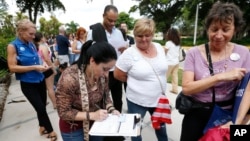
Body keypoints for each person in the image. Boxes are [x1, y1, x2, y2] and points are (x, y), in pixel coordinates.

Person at [180, 2, 250, 141]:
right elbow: (187, 88)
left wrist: (237, 124)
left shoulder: (243, 52)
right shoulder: (194, 53)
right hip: (196, 115)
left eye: (225, 29)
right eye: (214, 29)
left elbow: (247, 91)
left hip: (229, 116)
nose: (219, 35)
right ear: (207, 29)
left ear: (234, 29)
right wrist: (220, 77)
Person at [114, 18, 169, 141]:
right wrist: (136, 83)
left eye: (147, 35)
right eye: (140, 36)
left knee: (161, 129)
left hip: (159, 100)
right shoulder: (129, 53)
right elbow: (118, 74)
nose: (144, 39)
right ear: (134, 35)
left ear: (153, 34)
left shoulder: (159, 47)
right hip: (137, 101)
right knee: (136, 131)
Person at [55, 40, 120, 141]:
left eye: (109, 70)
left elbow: (106, 97)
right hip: (74, 128)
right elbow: (63, 112)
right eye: (105, 69)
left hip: (97, 123)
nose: (107, 74)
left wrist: (112, 110)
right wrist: (93, 115)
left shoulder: (102, 76)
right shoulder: (70, 78)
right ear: (92, 61)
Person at [7, 19, 57, 141]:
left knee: (42, 107)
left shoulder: (32, 44)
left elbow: (38, 60)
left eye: (34, 33)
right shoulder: (13, 46)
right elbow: (12, 67)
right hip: (28, 84)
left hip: (40, 80)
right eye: (31, 34)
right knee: (40, 108)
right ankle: (51, 131)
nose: (34, 36)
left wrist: (44, 65)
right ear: (20, 31)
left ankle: (41, 126)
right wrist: (34, 67)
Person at [86, 5, 127, 114]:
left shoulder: (118, 33)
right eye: (110, 20)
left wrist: (125, 49)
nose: (112, 23)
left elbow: (122, 50)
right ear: (103, 16)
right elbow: (88, 53)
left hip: (116, 71)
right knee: (102, 99)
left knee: (118, 99)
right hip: (102, 73)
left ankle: (118, 119)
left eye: (115, 21)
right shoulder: (93, 32)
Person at [34, 32, 57, 109]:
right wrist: (53, 68)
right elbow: (47, 59)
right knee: (50, 88)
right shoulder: (43, 47)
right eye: (43, 36)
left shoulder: (34, 47)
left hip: (39, 69)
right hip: (47, 68)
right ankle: (55, 104)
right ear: (41, 38)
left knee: (44, 88)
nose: (45, 38)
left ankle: (43, 102)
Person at [164, 27, 181, 94]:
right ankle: (175, 89)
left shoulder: (169, 43)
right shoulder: (178, 43)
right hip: (176, 62)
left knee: (164, 77)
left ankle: (161, 90)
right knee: (175, 76)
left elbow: (164, 52)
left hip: (169, 63)